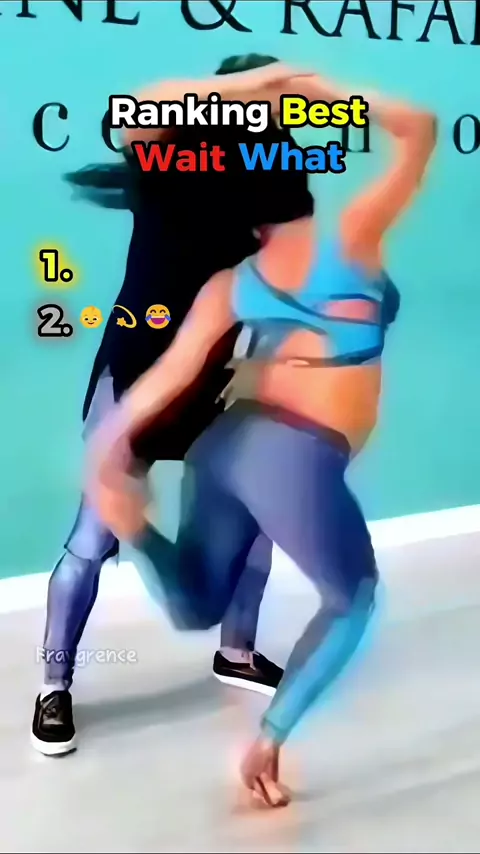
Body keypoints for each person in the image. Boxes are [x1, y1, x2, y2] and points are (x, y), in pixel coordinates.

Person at [88, 71, 436, 807]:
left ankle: (138, 533)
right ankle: (269, 742)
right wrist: (320, 87)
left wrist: (107, 449)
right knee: (352, 600)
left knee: (197, 604)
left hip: (225, 443)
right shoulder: (352, 238)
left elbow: (171, 375)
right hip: (294, 456)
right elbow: (419, 128)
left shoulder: (233, 282)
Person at [31, 55, 320, 757]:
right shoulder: (163, 152)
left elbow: (288, 276)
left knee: (258, 525)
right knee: (94, 537)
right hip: (136, 369)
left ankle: (237, 652)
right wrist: (247, 86)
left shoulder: (279, 172)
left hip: (221, 376)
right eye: (267, 96)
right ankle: (53, 687)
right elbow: (136, 112)